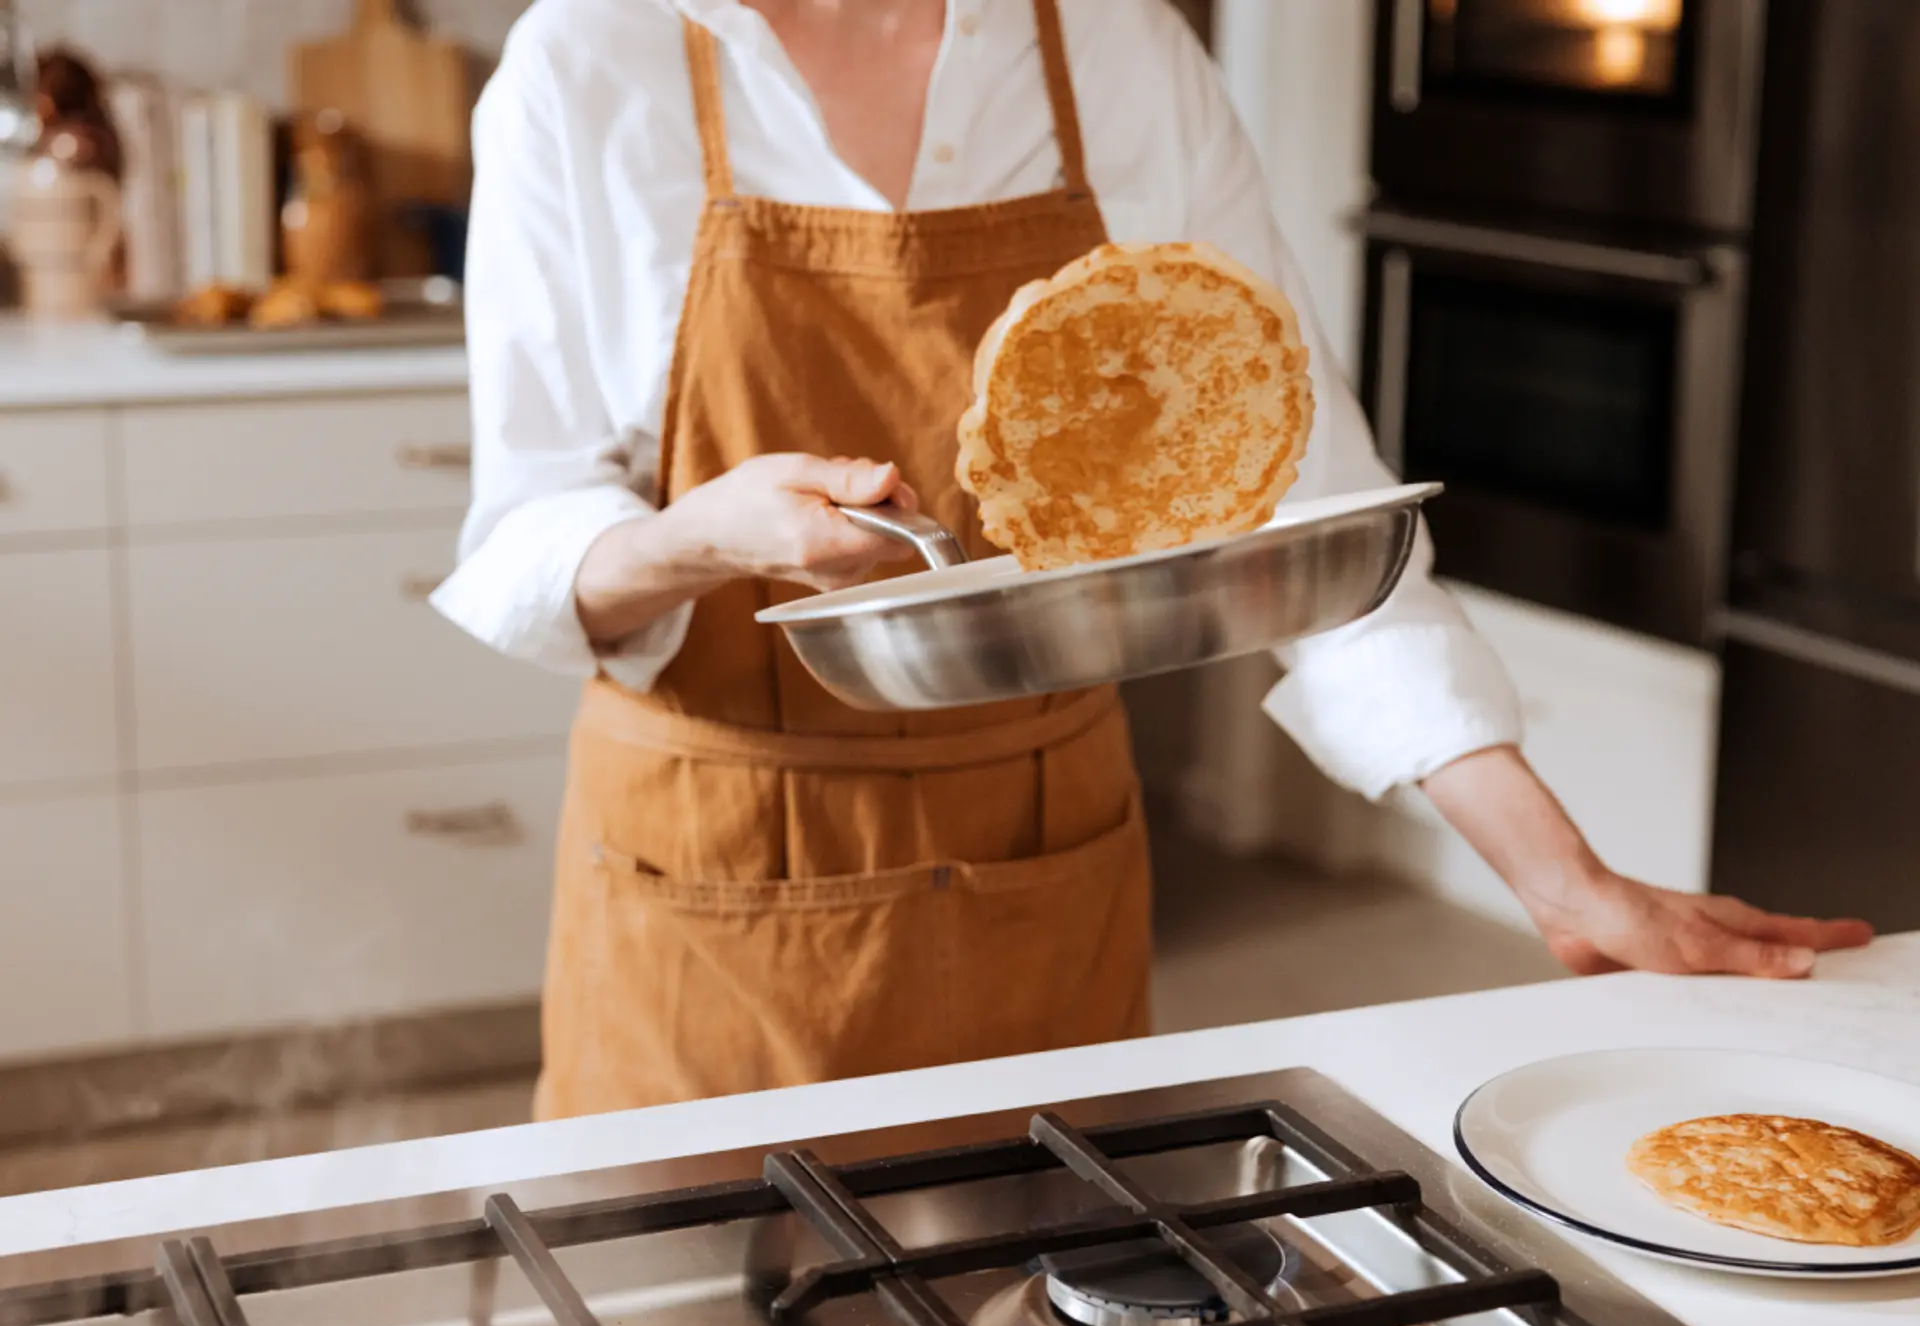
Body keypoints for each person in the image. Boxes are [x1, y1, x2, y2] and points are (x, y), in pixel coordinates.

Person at [432, 0, 1872, 1121]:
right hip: (715, 877)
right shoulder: (592, 58)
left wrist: (1562, 878)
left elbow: (1308, 517)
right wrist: (702, 538)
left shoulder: (1113, 48)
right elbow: (525, 536)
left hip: (1039, 865)